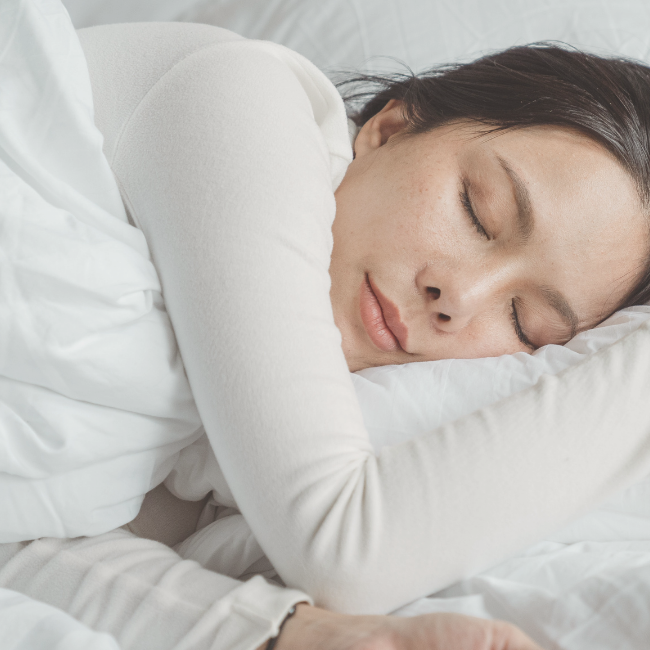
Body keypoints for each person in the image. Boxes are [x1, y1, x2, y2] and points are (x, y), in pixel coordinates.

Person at [3, 19, 650, 650]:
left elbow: (23, 545)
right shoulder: (234, 95)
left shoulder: (213, 446)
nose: (458, 295)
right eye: (477, 211)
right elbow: (346, 550)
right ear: (390, 128)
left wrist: (295, 632)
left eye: (524, 323)